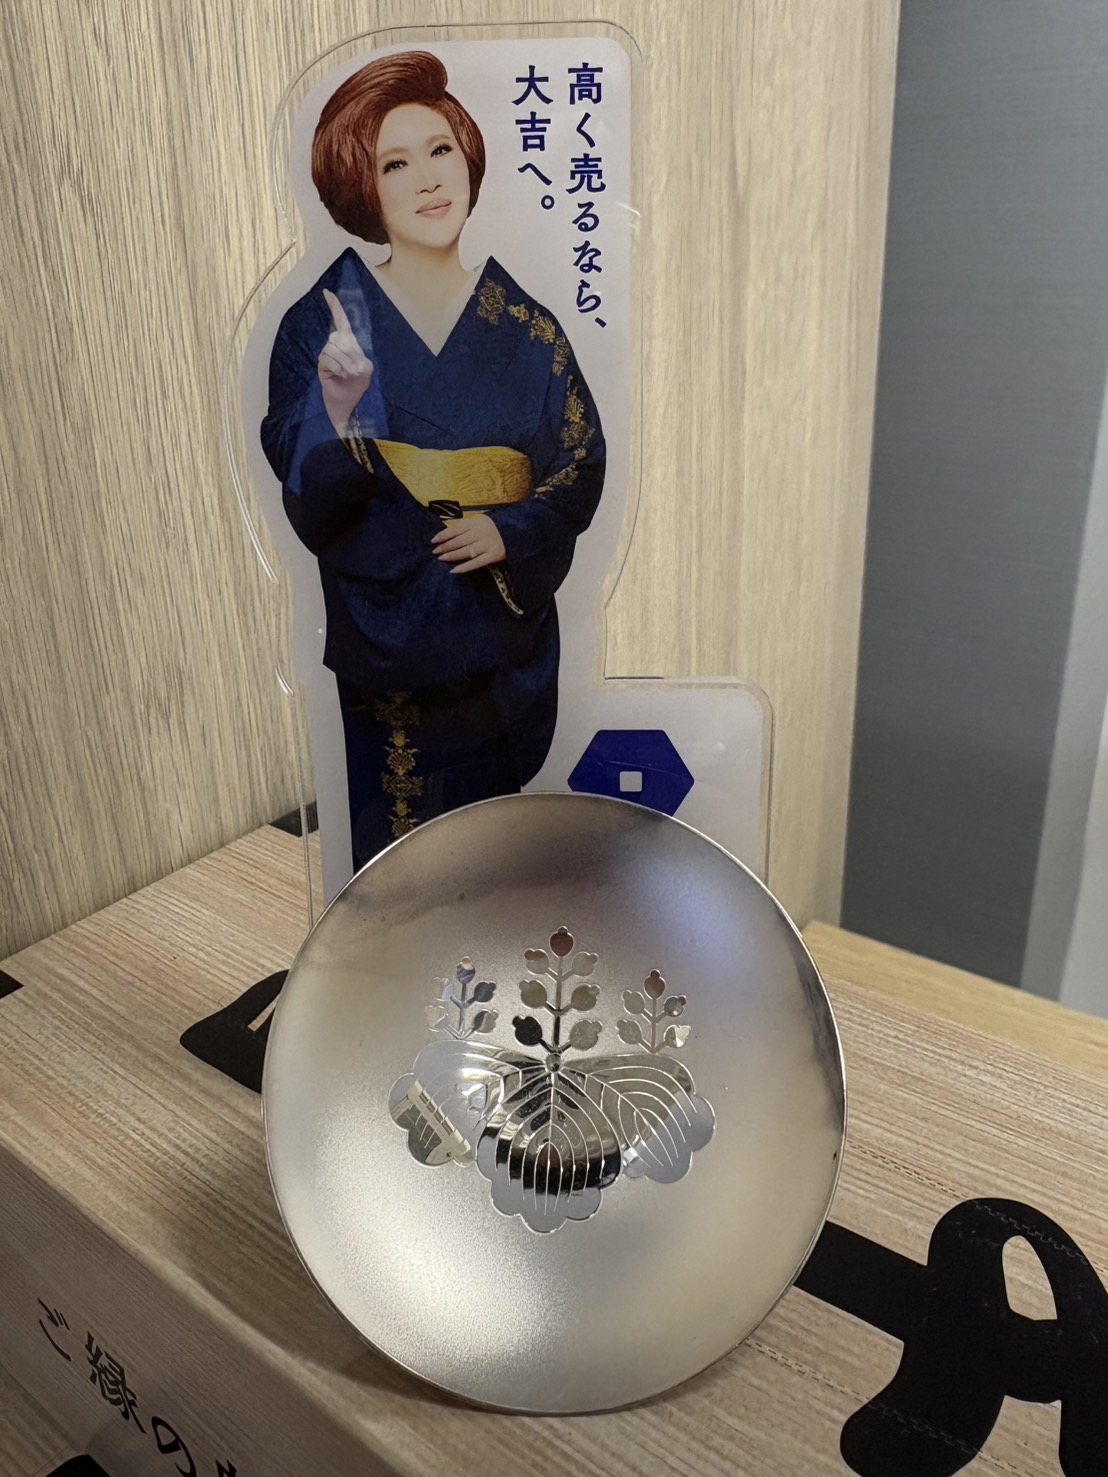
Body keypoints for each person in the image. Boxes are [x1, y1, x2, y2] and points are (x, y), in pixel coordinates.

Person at [261, 51, 605, 868]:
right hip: (392, 637)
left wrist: (511, 530)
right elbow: (301, 483)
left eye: (440, 149)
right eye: (395, 163)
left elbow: (582, 457)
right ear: (362, 184)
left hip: (497, 631)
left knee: (494, 854)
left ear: (468, 154)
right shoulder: (325, 322)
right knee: (401, 863)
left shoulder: (526, 327)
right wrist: (334, 410)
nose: (427, 179)